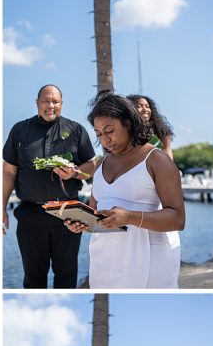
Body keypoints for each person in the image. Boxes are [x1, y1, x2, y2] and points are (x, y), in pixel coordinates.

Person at [63, 93, 184, 288]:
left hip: (150, 258)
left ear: (128, 123)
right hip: (105, 262)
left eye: (109, 130)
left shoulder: (157, 160)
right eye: (99, 134)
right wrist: (83, 224)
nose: (105, 140)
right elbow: (96, 215)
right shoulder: (101, 165)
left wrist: (129, 217)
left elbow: (178, 219)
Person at [2, 84, 97, 288]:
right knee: (33, 278)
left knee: (67, 276)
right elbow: (9, 171)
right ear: (37, 103)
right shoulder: (19, 130)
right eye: (46, 101)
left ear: (61, 104)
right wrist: (2, 207)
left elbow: (92, 166)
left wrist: (75, 172)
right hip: (30, 214)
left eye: (55, 101)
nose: (50, 105)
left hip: (68, 214)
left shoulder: (76, 130)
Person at [126, 95, 175, 159]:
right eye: (139, 106)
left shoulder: (160, 131)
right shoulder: (125, 132)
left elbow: (167, 152)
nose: (145, 109)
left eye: (147, 106)